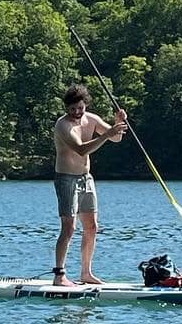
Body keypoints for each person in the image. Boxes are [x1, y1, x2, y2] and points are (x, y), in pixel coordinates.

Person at [52, 83, 127, 285]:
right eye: (72, 109)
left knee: (92, 227)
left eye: (80, 108)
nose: (76, 112)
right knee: (69, 228)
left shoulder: (92, 119)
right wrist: (106, 134)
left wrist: (117, 122)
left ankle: (86, 273)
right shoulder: (63, 125)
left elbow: (117, 138)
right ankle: (59, 276)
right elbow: (81, 149)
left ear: (86, 105)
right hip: (66, 179)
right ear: (66, 108)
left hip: (86, 178)